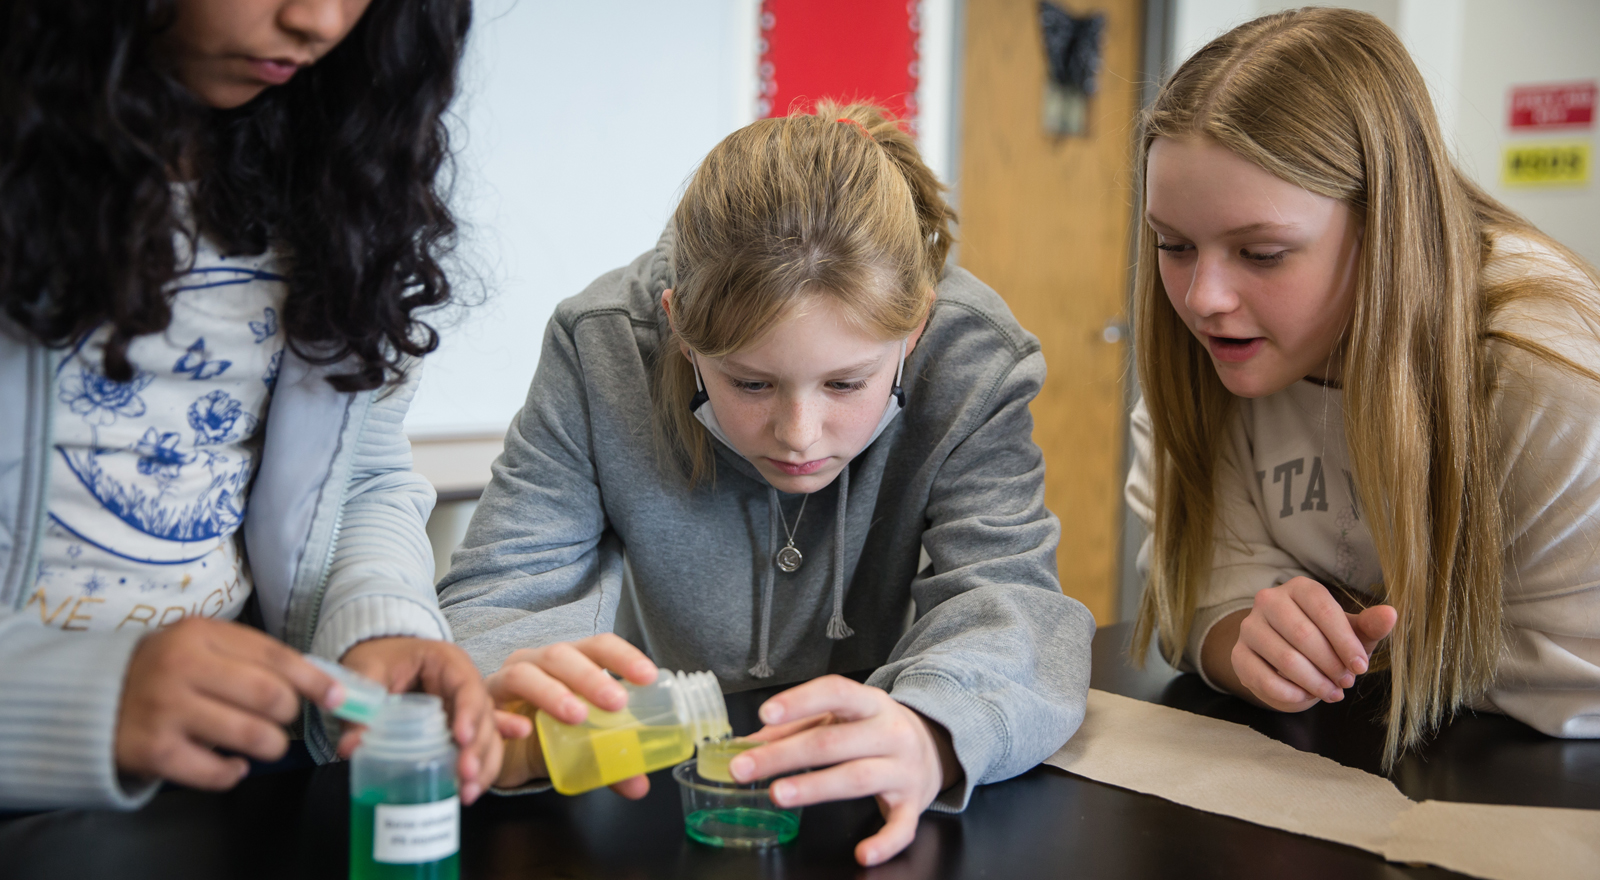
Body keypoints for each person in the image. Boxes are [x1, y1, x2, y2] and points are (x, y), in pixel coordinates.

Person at [437, 102, 1095, 866]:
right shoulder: (601, 344)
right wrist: (506, 701)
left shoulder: (974, 355)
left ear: (913, 330)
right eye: (749, 384)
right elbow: (502, 591)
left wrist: (934, 730)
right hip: (661, 795)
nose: (798, 434)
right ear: (679, 330)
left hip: (870, 811)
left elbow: (1011, 601)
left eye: (847, 384)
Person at [0, 0, 519, 810]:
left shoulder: (329, 179)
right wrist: (88, 700)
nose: (316, 20)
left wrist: (379, 622)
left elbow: (359, 482)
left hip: (238, 767)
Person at [1124, 7, 1600, 766]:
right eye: (1173, 245)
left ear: (1388, 228)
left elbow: (1578, 677)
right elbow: (1193, 595)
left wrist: (1347, 646)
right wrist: (1245, 641)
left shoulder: (1551, 375)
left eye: (1263, 252)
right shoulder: (1213, 351)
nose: (1203, 298)